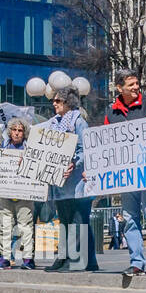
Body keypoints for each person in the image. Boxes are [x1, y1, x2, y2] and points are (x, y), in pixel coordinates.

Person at [109, 70, 146, 276]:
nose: (136, 87)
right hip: (126, 175)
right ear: (119, 88)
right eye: (131, 84)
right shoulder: (111, 113)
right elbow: (107, 144)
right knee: (129, 217)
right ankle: (136, 262)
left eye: (137, 83)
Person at [43, 87, 97, 271]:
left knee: (78, 220)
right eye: (54, 101)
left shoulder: (78, 123)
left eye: (58, 101)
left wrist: (74, 162)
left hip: (76, 181)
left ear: (68, 103)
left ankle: (76, 258)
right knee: (65, 220)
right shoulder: (53, 124)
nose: (54, 104)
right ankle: (69, 257)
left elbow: (85, 149)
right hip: (59, 182)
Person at [0, 118, 36, 270]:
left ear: (24, 133)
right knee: (5, 226)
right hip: (6, 193)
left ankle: (28, 258)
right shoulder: (2, 147)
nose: (17, 133)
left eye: (20, 130)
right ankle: (5, 258)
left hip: (24, 193)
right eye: (14, 130)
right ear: (9, 132)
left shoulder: (30, 148)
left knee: (26, 226)